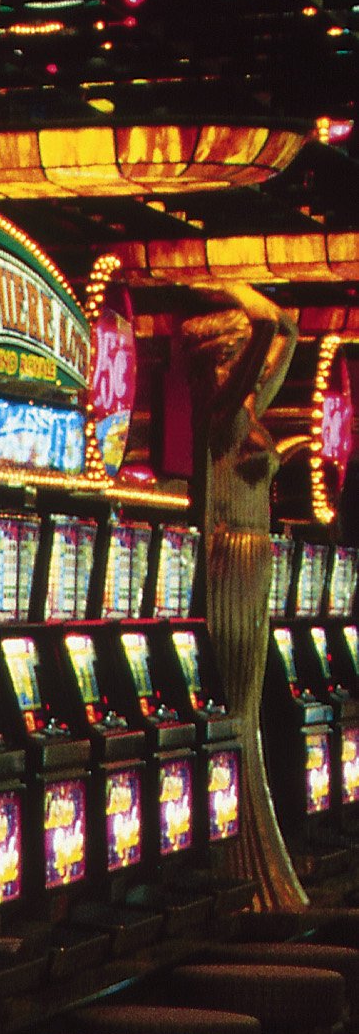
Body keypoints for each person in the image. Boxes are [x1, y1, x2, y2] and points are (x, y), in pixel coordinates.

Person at [183, 278, 305, 910]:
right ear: (217, 366)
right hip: (229, 565)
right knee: (237, 717)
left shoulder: (248, 414)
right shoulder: (222, 417)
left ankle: (263, 861)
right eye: (231, 356)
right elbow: (268, 331)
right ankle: (243, 871)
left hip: (252, 566)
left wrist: (268, 311)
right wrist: (235, 288)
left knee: (250, 717)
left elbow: (286, 329)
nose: (244, 366)